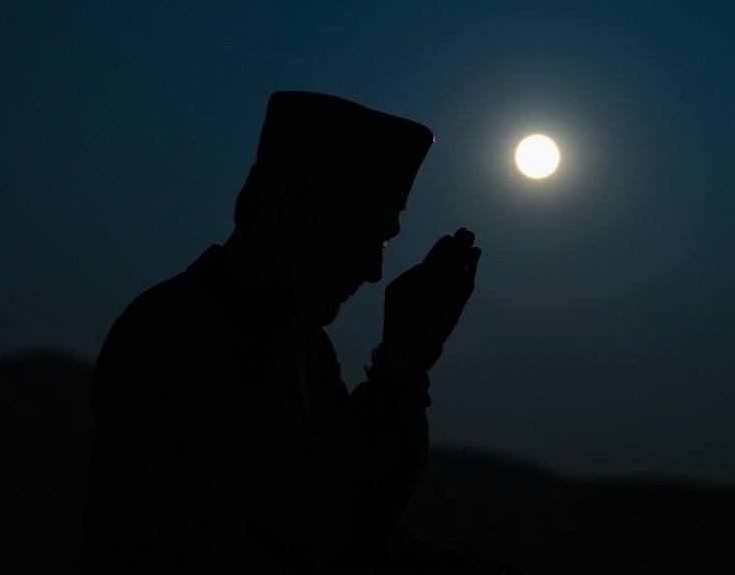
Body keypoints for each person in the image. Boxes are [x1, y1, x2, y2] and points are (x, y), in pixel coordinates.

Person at [83, 92, 522, 574]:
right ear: (285, 212)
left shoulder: (301, 344)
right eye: (364, 238)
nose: (374, 270)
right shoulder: (178, 336)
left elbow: (357, 528)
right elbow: (317, 529)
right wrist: (403, 360)